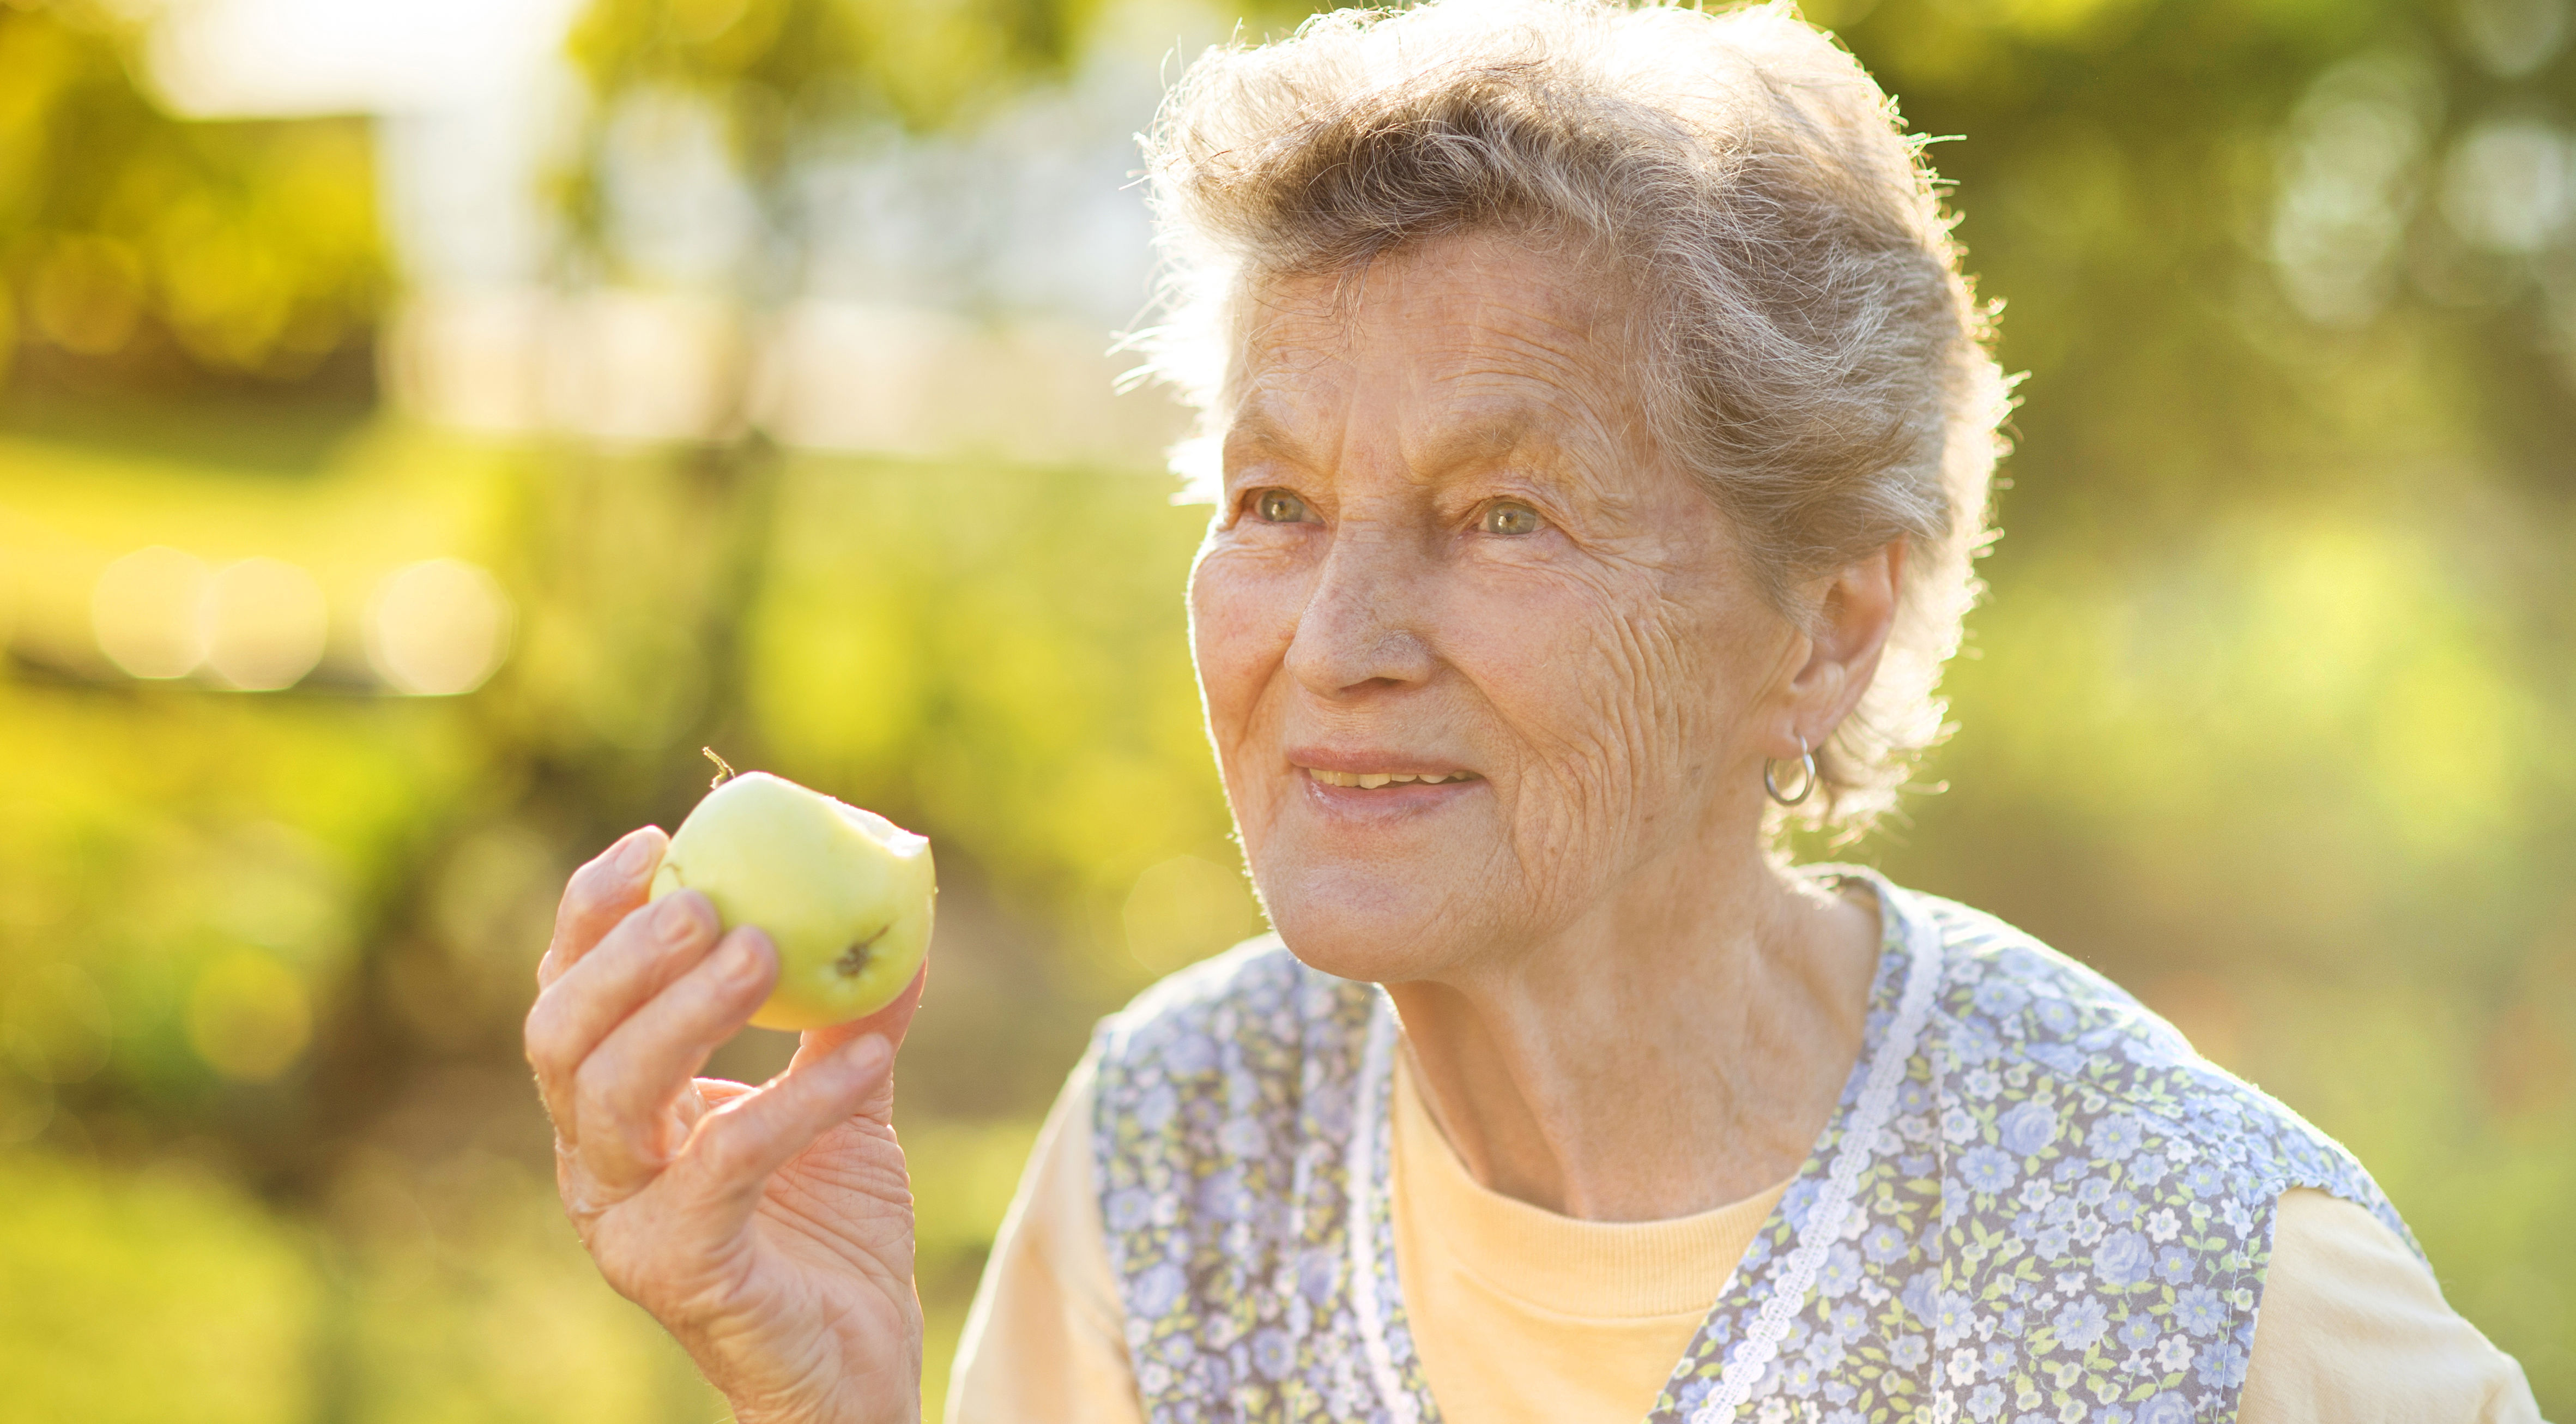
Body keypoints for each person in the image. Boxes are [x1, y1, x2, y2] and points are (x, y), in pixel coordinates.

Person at [523, 2, 2548, 1420]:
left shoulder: (2205, 1282)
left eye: (1502, 513)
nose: (1339, 633)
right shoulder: (1170, 1148)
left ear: (1827, 627)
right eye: (1278, 502)